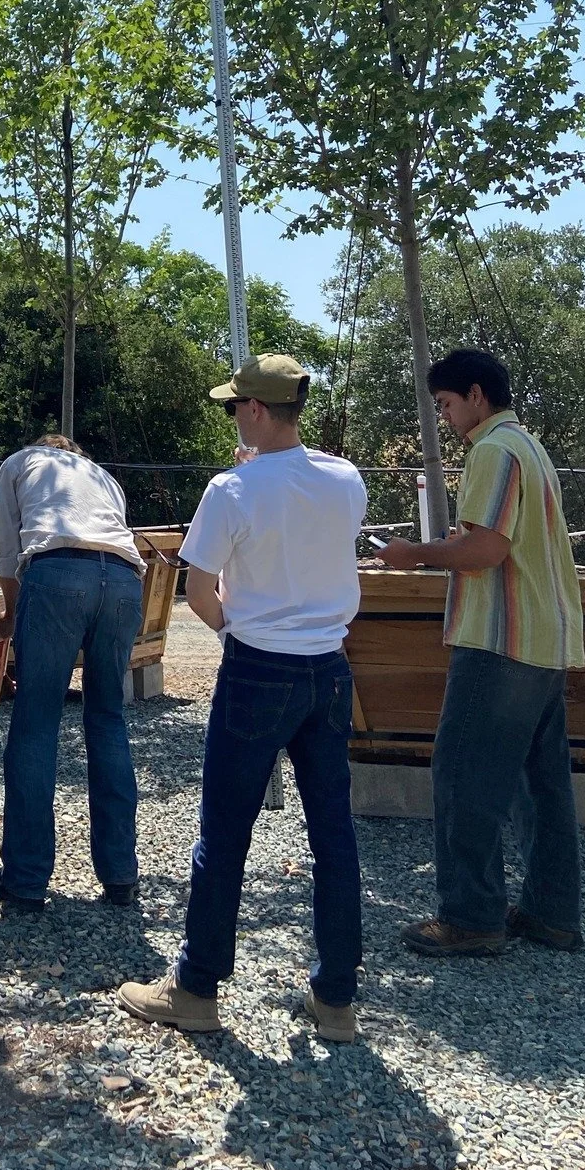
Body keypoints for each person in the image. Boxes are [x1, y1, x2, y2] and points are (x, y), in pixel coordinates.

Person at [119, 355, 368, 1043]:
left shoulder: (230, 488)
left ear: (256, 410)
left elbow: (198, 590)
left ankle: (196, 987)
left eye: (236, 406)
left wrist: (236, 627)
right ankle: (337, 1000)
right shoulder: (346, 480)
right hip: (329, 666)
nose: (233, 413)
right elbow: (306, 519)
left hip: (260, 666)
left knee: (225, 833)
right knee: (333, 835)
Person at [379, 348, 585, 956]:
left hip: (500, 640)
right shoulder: (528, 445)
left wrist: (411, 553)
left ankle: (471, 917)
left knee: (463, 773)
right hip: (545, 639)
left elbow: (486, 551)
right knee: (541, 782)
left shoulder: (491, 451)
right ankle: (552, 913)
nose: (444, 417)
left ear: (474, 395)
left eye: (445, 404)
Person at [0, 434, 147, 912]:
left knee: (37, 723)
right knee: (107, 718)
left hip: (55, 573)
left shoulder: (19, 462)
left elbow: (5, 546)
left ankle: (26, 881)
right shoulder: (104, 477)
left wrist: (13, 617)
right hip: (122, 581)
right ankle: (121, 876)